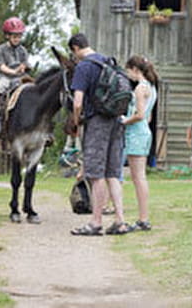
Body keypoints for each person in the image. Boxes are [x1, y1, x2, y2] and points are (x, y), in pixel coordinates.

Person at [68, 33, 129, 236]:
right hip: (116, 121)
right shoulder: (108, 61)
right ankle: (120, 221)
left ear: (76, 48)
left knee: (95, 174)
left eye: (73, 53)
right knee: (113, 173)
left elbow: (77, 102)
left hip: (97, 122)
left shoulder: (84, 66)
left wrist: (76, 122)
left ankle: (95, 222)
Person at [121, 55, 158, 231]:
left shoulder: (139, 89)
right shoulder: (152, 88)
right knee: (140, 177)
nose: (128, 75)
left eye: (128, 71)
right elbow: (148, 117)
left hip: (136, 134)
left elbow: (140, 115)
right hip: (145, 133)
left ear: (135, 70)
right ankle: (144, 217)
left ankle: (143, 218)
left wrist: (123, 120)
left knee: (138, 178)